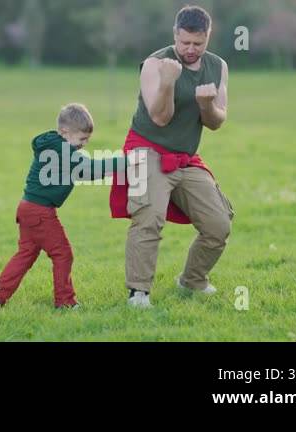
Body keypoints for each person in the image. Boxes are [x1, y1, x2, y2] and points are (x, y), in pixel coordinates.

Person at [110, 5, 235, 308]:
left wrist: (206, 104)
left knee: (219, 224)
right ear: (175, 35)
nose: (190, 49)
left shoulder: (218, 66)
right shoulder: (155, 64)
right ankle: (138, 293)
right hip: (145, 150)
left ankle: (192, 281)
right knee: (148, 217)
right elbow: (159, 118)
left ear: (208, 37)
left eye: (198, 43)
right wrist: (168, 82)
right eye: (184, 43)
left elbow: (216, 122)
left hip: (184, 157)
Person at [0, 103, 141, 309]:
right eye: (82, 138)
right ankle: (64, 301)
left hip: (27, 208)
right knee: (63, 254)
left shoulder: (56, 146)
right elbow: (90, 167)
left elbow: (86, 172)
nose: (85, 143)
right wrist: (129, 161)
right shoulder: (63, 150)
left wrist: (114, 169)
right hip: (40, 212)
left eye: (87, 139)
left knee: (25, 255)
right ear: (65, 132)